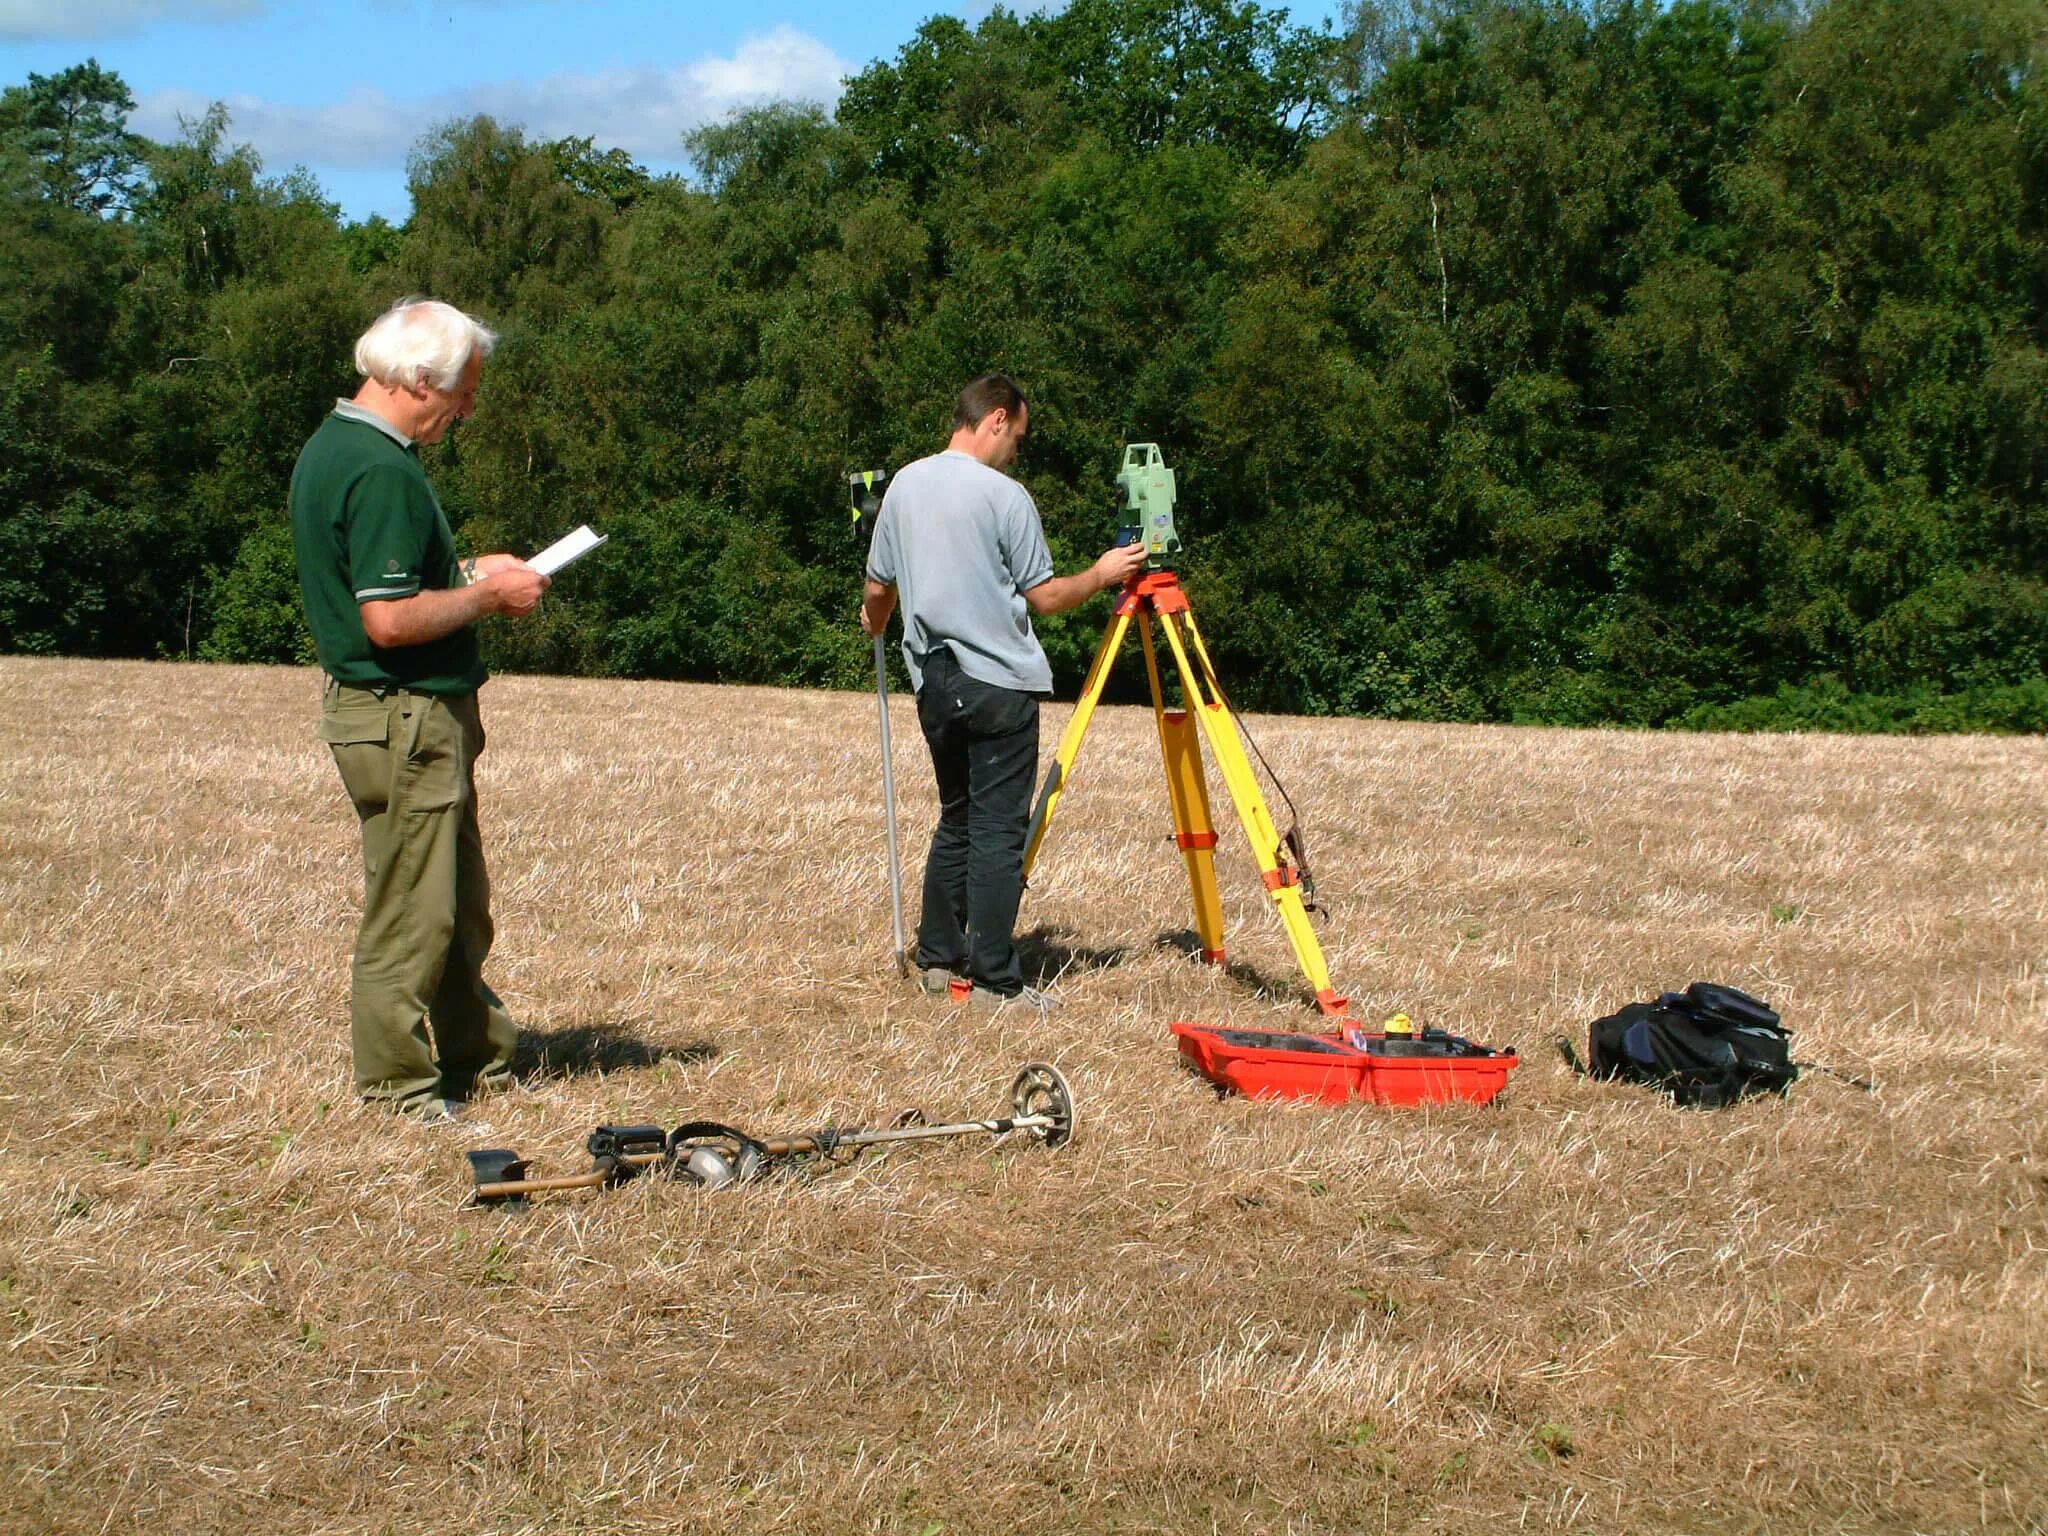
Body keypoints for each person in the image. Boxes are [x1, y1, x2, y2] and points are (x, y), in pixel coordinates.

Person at [289, 297, 549, 1121]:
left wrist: (473, 567)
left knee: (452, 900)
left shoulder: (339, 448)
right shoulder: (382, 470)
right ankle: (398, 1086)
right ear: (416, 379)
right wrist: (488, 597)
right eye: (462, 392)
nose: (467, 408)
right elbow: (388, 619)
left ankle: (478, 1057)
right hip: (404, 718)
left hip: (391, 717)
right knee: (414, 908)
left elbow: (383, 580)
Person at [861, 374, 1147, 1010]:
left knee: (957, 817)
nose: (1016, 449)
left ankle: (938, 960)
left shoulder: (904, 485)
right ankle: (993, 978)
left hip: (933, 682)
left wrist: (875, 622)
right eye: (1016, 435)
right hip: (997, 685)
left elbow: (878, 592)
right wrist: (1102, 574)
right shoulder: (1005, 496)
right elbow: (1046, 598)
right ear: (994, 419)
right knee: (996, 829)